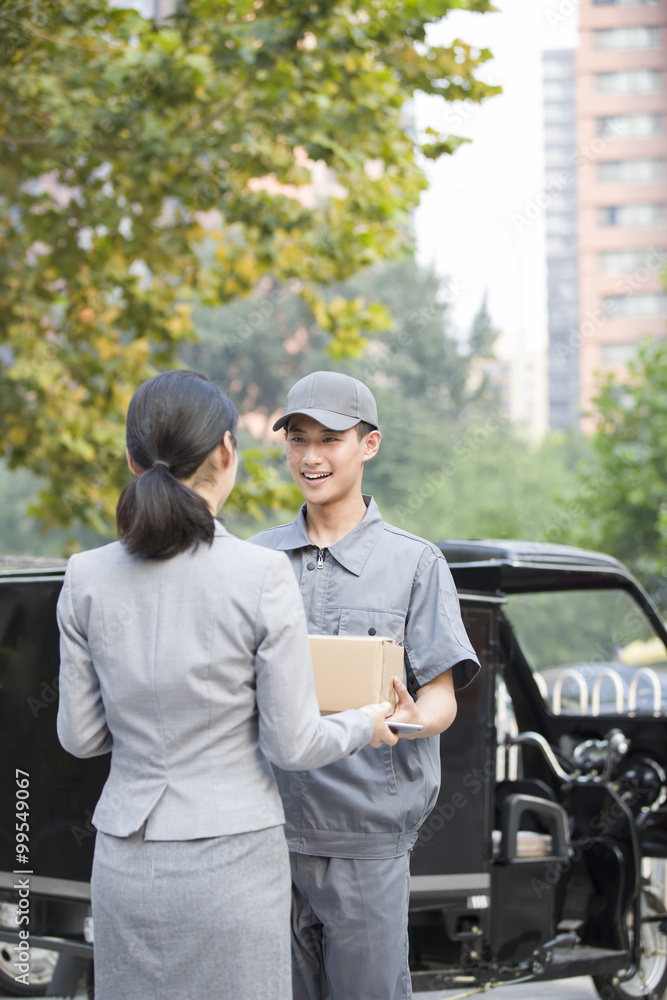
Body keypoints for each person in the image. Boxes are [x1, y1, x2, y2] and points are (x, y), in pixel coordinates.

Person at [56, 369, 397, 1000]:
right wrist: (365, 723)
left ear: (134, 460)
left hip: (125, 861)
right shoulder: (261, 574)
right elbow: (293, 744)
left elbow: (79, 737)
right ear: (224, 450)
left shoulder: (85, 577)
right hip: (232, 860)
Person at [249, 370, 481, 1000]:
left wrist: (409, 719)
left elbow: (441, 698)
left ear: (369, 445)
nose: (311, 457)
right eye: (298, 440)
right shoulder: (253, 560)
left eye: (330, 439)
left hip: (366, 837)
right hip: (264, 837)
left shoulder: (416, 563)